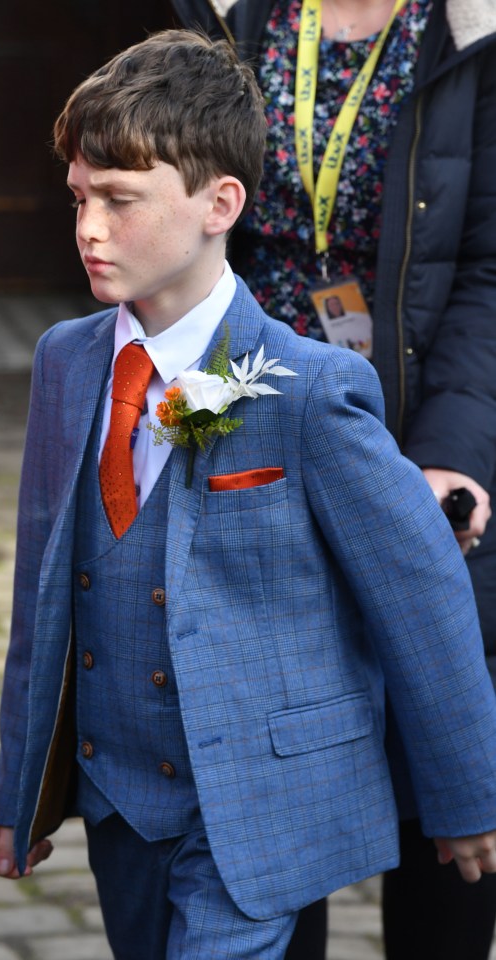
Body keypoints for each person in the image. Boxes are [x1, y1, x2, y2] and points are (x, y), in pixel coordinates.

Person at [0, 28, 496, 960]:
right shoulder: (66, 361)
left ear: (220, 203)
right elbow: (42, 588)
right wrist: (17, 787)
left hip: (259, 815)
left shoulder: (303, 389)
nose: (89, 228)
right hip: (121, 804)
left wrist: (466, 800)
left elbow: (421, 597)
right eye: (79, 198)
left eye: (120, 201)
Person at [170, 1, 496, 956]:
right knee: (261, 718)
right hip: (240, 396)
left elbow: (490, 265)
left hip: (420, 418)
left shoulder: (473, 30)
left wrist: (451, 455)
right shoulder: (234, 18)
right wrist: (173, 417)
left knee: (438, 721)